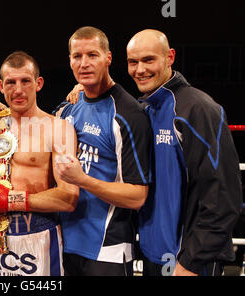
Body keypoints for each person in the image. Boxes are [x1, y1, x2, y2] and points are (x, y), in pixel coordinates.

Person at [126, 29, 243, 276]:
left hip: (188, 261)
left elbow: (224, 196)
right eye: (133, 62)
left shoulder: (198, 109)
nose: (139, 69)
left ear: (169, 57)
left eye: (148, 60)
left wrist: (191, 261)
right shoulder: (145, 109)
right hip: (152, 256)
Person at [0, 51, 79, 276]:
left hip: (38, 236)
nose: (18, 89)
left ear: (38, 83)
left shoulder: (58, 129)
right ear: (0, 85)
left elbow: (68, 198)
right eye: (11, 82)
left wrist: (7, 201)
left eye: (25, 81)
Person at [54, 26, 152, 276]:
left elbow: (137, 195)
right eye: (78, 56)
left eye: (92, 55)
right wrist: (2, 111)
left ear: (108, 58)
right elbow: (37, 125)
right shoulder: (68, 109)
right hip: (64, 244)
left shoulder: (128, 114)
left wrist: (82, 180)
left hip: (108, 249)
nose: (84, 63)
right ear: (70, 61)